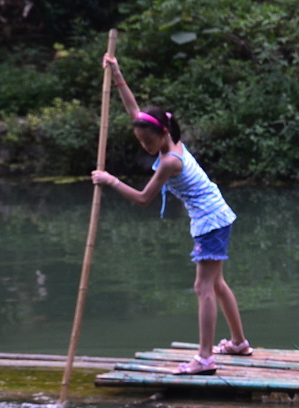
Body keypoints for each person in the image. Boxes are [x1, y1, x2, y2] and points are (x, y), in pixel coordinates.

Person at [91, 54, 250, 375]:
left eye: (149, 141)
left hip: (210, 221)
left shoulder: (170, 162)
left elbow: (143, 199)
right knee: (216, 284)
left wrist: (110, 180)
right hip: (216, 215)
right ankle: (238, 342)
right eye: (140, 141)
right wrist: (118, 72)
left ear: (163, 133)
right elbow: (136, 112)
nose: (145, 146)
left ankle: (205, 359)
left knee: (203, 288)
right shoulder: (169, 141)